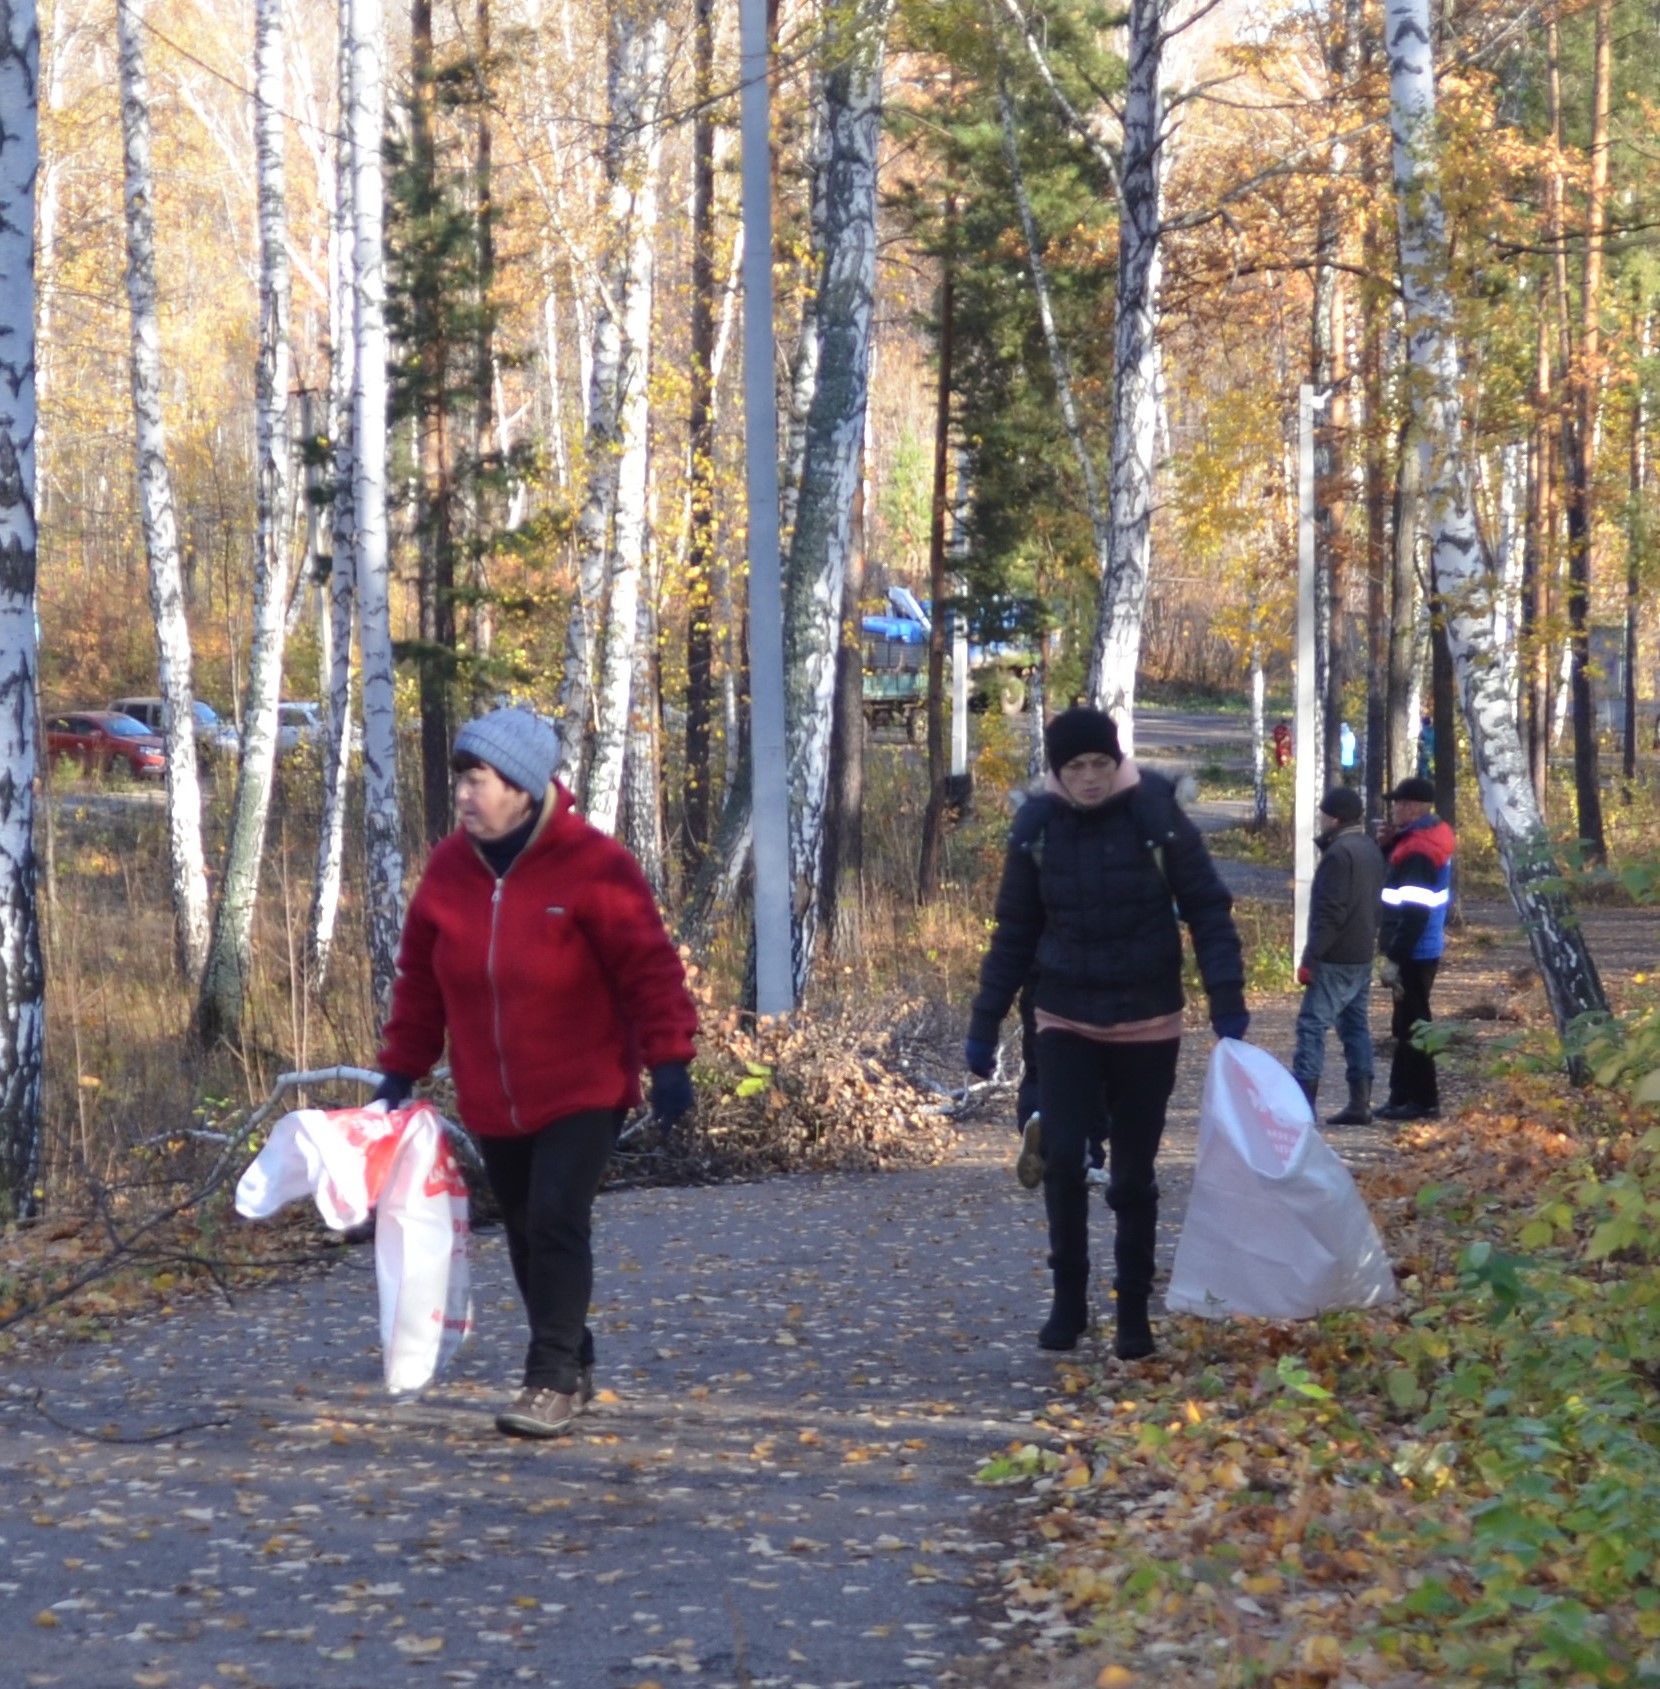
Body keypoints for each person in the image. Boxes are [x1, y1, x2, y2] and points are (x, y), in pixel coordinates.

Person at [374, 708, 699, 1438]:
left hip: (583, 1085)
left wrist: (670, 1058)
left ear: (521, 787)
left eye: (477, 780)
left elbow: (650, 970)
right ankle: (574, 1358)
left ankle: (549, 1379)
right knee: (523, 1231)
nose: (462, 793)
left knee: (556, 1218)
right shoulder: (448, 872)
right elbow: (421, 984)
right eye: (459, 778)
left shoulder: (594, 865)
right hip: (494, 1095)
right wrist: (399, 1071)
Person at [964, 707, 1247, 1361]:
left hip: (1149, 1019)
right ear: (1057, 772)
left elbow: (1206, 903)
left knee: (1132, 1174)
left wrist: (1226, 998)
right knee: (1062, 1157)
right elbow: (1014, 932)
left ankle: (1133, 1311)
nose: (1089, 778)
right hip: (1065, 1016)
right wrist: (985, 1022)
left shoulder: (1154, 814)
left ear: (1116, 761)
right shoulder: (1037, 828)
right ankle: (1068, 1302)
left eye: (1099, 763)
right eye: (1074, 767)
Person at [1292, 787, 1385, 1125]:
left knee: (1311, 1027)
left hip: (1335, 955)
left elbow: (1330, 912)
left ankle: (1303, 1106)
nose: (1320, 819)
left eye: (1323, 814)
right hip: (1362, 951)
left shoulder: (1338, 855)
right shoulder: (1370, 849)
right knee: (1355, 1025)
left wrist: (1310, 958)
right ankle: (1360, 1102)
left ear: (1334, 817)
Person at [1376, 775, 1455, 1122]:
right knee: (1406, 1025)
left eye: (1398, 803)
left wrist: (1394, 956)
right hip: (1419, 948)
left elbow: (1415, 911)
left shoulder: (1419, 849)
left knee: (1414, 1027)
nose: (1394, 808)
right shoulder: (1419, 839)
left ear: (1413, 807)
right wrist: (1388, 846)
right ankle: (1402, 1096)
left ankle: (1422, 1100)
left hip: (1415, 951)